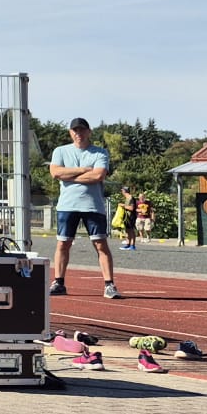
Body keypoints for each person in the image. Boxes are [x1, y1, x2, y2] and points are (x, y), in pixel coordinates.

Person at [47, 118, 119, 299]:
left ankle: (109, 284)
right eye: (75, 130)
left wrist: (69, 176)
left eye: (82, 130)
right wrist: (83, 170)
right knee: (63, 243)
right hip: (67, 205)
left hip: (93, 206)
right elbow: (55, 172)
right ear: (70, 133)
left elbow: (98, 176)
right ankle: (59, 282)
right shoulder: (60, 151)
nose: (78, 133)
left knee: (100, 244)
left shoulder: (100, 152)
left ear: (89, 132)